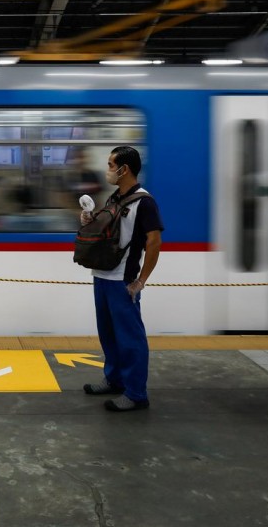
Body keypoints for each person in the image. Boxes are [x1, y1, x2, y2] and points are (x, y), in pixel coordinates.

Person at [81, 146, 163, 412]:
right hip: (102, 276)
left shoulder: (144, 202)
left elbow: (154, 243)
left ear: (123, 169)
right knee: (108, 334)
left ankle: (136, 393)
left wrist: (141, 281)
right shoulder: (115, 197)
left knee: (130, 338)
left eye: (110, 164)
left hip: (122, 281)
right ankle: (114, 379)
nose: (108, 170)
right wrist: (88, 219)